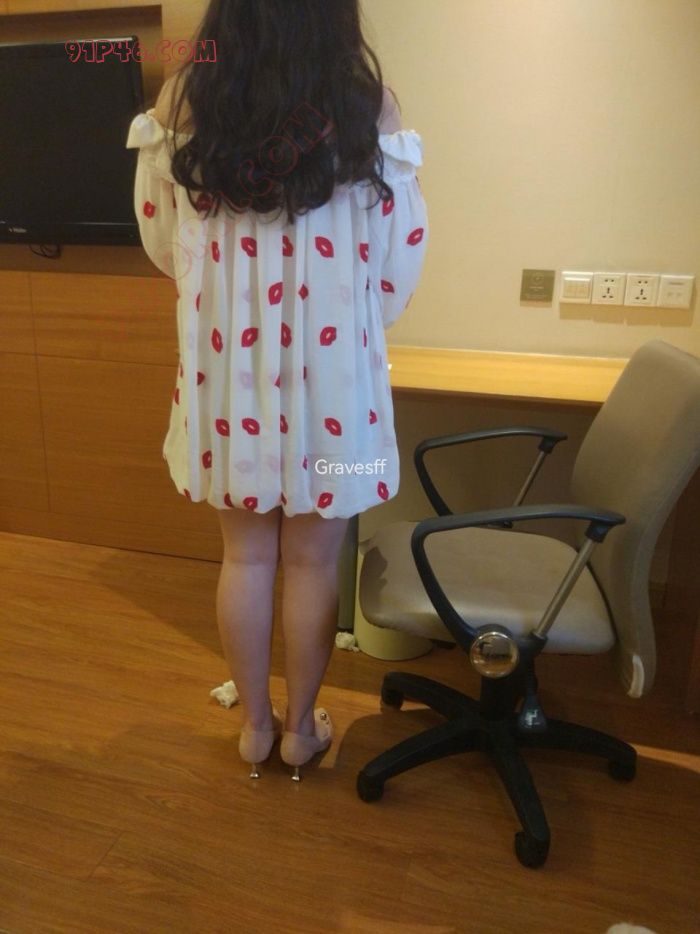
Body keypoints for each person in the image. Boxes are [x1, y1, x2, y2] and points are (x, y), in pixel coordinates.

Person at [125, 0, 429, 782]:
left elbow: (160, 241)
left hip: (228, 380)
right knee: (315, 564)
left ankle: (254, 728)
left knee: (247, 557)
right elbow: (397, 263)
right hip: (338, 388)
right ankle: (301, 731)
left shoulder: (186, 98)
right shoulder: (367, 104)